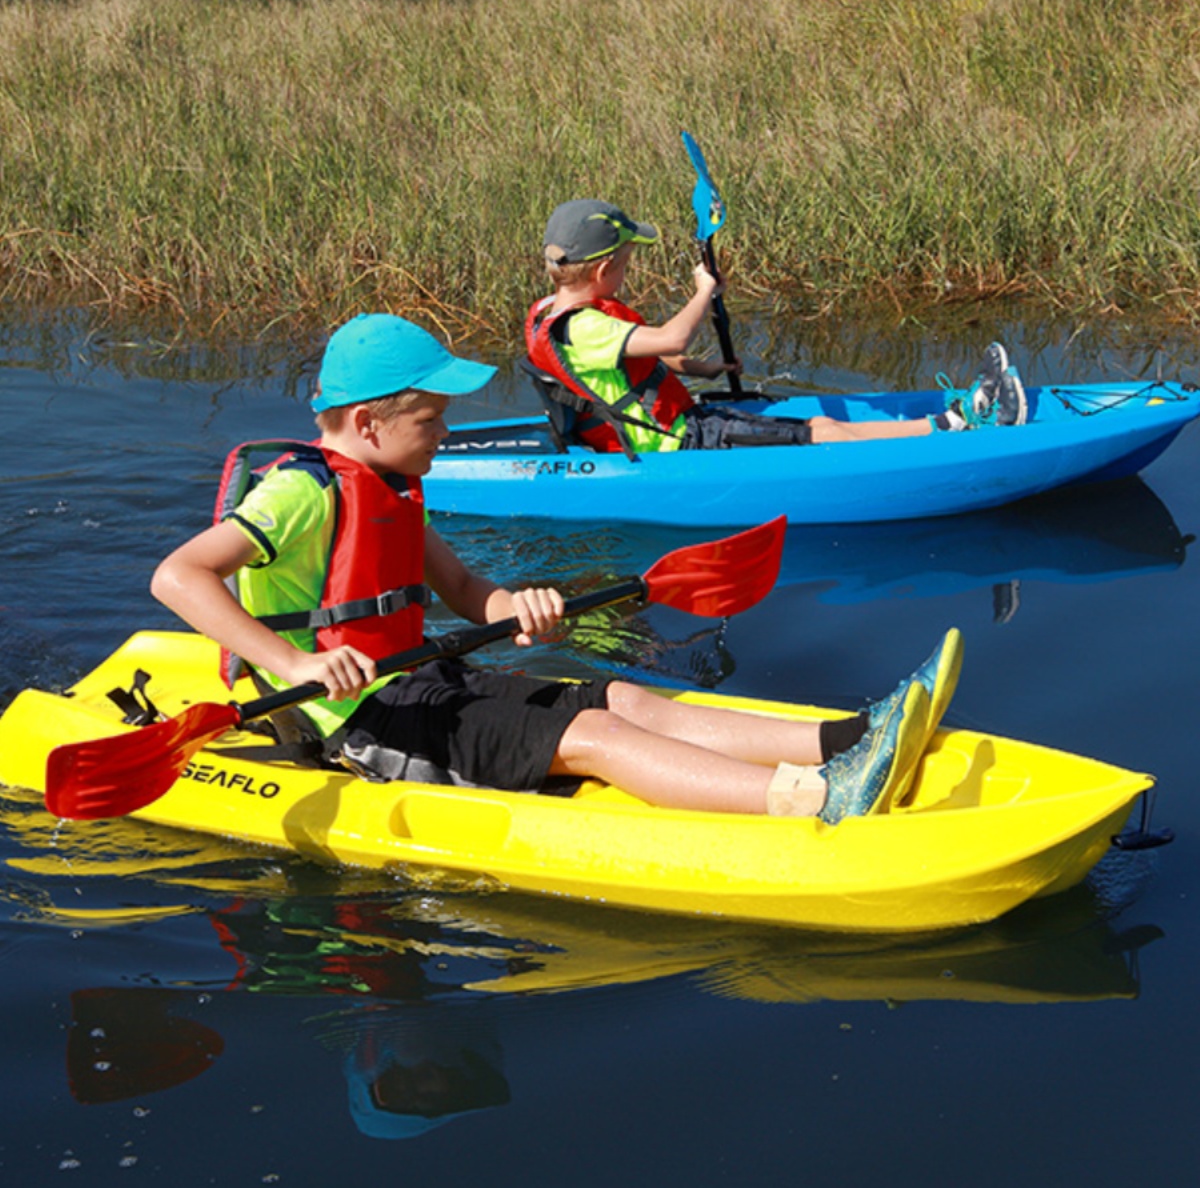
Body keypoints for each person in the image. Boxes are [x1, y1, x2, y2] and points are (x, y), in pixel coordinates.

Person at [150, 312, 963, 826]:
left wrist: (519, 604)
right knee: (597, 735)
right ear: (367, 421)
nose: (443, 433)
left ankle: (845, 739)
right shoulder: (301, 491)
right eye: (430, 419)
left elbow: (468, 593)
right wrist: (296, 662)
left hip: (417, 680)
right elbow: (179, 577)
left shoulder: (396, 489)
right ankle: (817, 800)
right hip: (357, 724)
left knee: (624, 695)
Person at [525, 199, 1027, 456]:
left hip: (678, 426)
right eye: (628, 260)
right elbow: (672, 338)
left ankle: (950, 419)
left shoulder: (551, 309)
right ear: (602, 271)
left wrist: (706, 368)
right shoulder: (584, 328)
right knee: (824, 432)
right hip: (683, 442)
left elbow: (647, 357)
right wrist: (704, 290)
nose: (629, 269)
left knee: (823, 426)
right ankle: (955, 425)